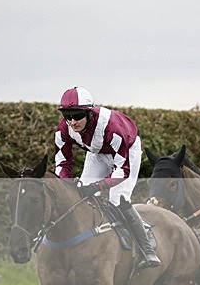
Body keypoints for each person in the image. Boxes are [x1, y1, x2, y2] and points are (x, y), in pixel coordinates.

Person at [54, 86, 161, 268]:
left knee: (117, 199)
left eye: (77, 115)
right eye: (67, 115)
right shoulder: (63, 130)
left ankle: (147, 249)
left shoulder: (112, 128)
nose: (72, 122)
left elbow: (122, 170)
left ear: (89, 113)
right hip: (97, 153)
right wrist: (67, 187)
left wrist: (98, 186)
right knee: (80, 197)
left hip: (126, 152)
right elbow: (62, 164)